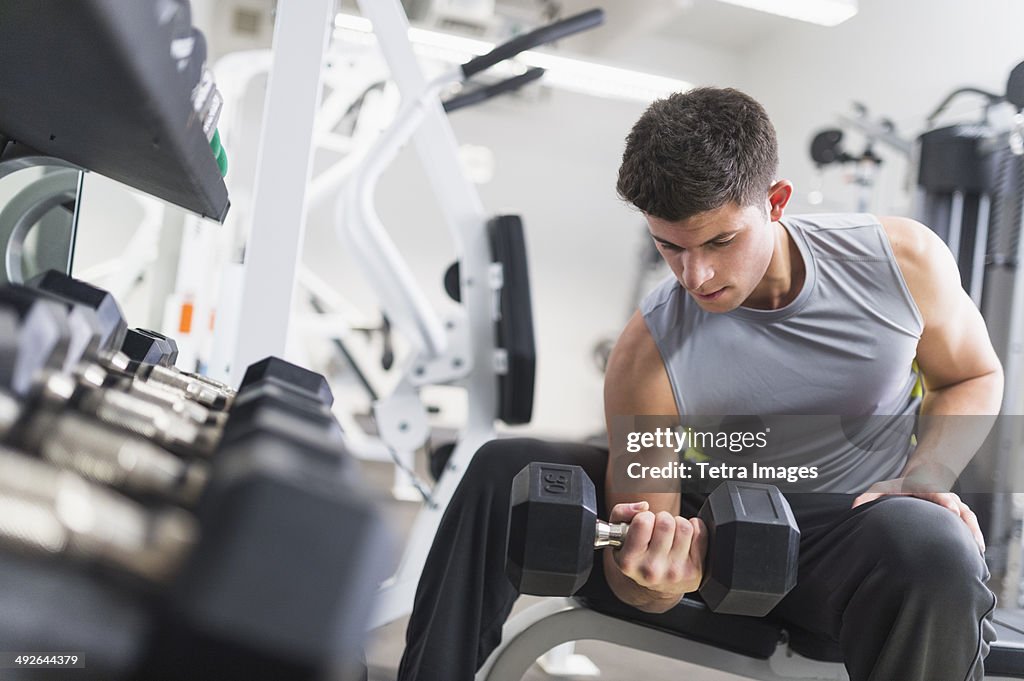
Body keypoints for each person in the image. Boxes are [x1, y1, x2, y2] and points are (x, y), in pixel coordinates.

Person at [396, 87, 1003, 681]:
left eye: (721, 241)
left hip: (847, 530)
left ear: (776, 200)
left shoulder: (898, 262)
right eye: (671, 247)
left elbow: (973, 375)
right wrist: (658, 583)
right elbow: (639, 564)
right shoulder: (648, 354)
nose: (697, 275)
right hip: (714, 527)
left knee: (932, 542)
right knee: (509, 470)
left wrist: (926, 475)